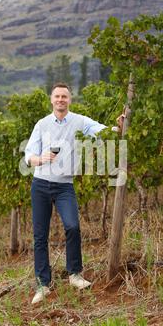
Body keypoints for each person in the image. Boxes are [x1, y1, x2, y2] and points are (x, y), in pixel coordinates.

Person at [25, 83, 124, 304]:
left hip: (64, 186)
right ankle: (43, 285)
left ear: (70, 100)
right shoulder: (41, 125)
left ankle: (74, 274)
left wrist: (118, 128)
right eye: (57, 96)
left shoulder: (80, 121)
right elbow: (28, 154)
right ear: (51, 100)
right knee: (40, 236)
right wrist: (40, 159)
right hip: (40, 184)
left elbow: (102, 130)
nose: (61, 100)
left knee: (73, 226)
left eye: (64, 97)